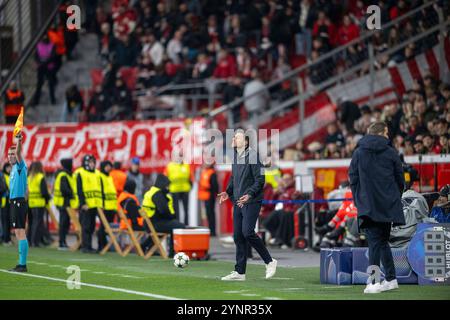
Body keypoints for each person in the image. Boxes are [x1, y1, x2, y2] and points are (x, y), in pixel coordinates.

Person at [349, 121, 405, 294]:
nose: (388, 136)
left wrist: (359, 199)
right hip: (388, 204)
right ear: (380, 133)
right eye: (386, 133)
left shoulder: (358, 153)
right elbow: (400, 179)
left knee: (374, 242)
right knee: (382, 241)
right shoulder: (391, 153)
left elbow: (353, 178)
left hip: (368, 203)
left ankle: (373, 282)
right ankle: (391, 278)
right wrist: (394, 197)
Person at [218, 130, 277, 281]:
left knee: (247, 232)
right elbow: (234, 178)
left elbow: (260, 179)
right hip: (238, 201)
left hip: (251, 200)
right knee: (238, 236)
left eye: (238, 137)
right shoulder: (236, 157)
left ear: (245, 142)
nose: (234, 138)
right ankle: (240, 272)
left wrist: (250, 194)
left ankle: (269, 261)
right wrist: (227, 192)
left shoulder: (253, 156)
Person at [142, 174, 185, 257]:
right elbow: (164, 211)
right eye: (167, 186)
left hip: (148, 223)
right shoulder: (158, 195)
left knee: (172, 225)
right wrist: (172, 217)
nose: (168, 188)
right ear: (162, 184)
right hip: (155, 224)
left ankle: (144, 246)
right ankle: (172, 253)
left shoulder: (151, 192)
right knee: (178, 226)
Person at [8, 132, 29, 272]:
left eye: (13, 154)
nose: (11, 156)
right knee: (18, 232)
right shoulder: (13, 169)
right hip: (16, 202)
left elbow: (19, 152)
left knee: (20, 232)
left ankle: (22, 264)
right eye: (9, 154)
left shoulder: (20, 165)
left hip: (19, 202)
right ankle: (21, 263)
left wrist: (19, 141)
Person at [76, 154, 102, 253]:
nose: (92, 164)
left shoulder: (97, 173)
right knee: (86, 226)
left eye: (93, 162)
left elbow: (100, 189)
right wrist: (83, 203)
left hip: (95, 204)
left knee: (92, 226)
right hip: (86, 205)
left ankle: (89, 246)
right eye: (90, 162)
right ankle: (85, 246)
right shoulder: (81, 173)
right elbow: (80, 190)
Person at [53, 158, 78, 250]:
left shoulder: (65, 174)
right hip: (63, 203)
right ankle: (61, 242)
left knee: (65, 223)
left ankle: (63, 242)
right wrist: (72, 194)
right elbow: (64, 190)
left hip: (64, 202)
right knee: (64, 223)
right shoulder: (64, 175)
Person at [27, 162, 51, 247]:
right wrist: (48, 198)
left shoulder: (29, 177)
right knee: (37, 222)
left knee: (31, 223)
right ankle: (35, 241)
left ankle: (30, 240)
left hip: (30, 203)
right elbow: (44, 191)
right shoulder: (40, 177)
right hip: (39, 203)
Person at [165, 151, 192, 225]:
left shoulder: (186, 165)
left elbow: (190, 177)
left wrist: (190, 186)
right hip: (174, 190)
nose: (180, 157)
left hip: (185, 190)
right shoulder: (170, 166)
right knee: (176, 210)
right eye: (179, 155)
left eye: (181, 156)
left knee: (186, 210)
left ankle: (186, 225)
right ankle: (177, 225)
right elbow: (165, 177)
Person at [97, 160, 117, 251]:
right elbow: (100, 191)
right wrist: (102, 204)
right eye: (107, 166)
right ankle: (101, 245)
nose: (109, 168)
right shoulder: (100, 176)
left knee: (108, 227)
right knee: (103, 227)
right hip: (104, 206)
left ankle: (106, 245)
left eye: (110, 166)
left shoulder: (109, 177)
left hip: (111, 206)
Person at [32, 34, 57, 106]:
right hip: (41, 66)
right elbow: (36, 55)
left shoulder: (52, 45)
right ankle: (36, 100)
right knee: (39, 84)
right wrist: (40, 62)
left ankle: (53, 100)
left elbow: (53, 56)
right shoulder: (38, 45)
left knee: (51, 84)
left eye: (46, 37)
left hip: (49, 67)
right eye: (44, 37)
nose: (45, 39)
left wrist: (44, 62)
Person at [198, 162, 219, 236]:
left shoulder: (212, 173)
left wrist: (214, 195)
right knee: (208, 214)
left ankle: (212, 231)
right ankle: (210, 230)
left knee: (211, 214)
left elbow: (215, 186)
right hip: (205, 196)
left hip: (210, 196)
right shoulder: (205, 172)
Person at [1, 163, 11, 245]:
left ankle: (8, 238)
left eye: (10, 167)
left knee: (9, 220)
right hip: (4, 201)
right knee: (5, 221)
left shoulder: (11, 176)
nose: (9, 169)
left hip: (10, 201)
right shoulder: (2, 176)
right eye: (8, 167)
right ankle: (5, 239)